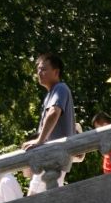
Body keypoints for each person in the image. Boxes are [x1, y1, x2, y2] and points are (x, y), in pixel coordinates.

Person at [22, 53, 76, 193]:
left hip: (53, 158)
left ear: (56, 72)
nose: (40, 72)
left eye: (44, 69)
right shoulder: (51, 93)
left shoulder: (60, 88)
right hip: (51, 158)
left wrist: (39, 140)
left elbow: (54, 112)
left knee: (33, 199)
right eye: (38, 69)